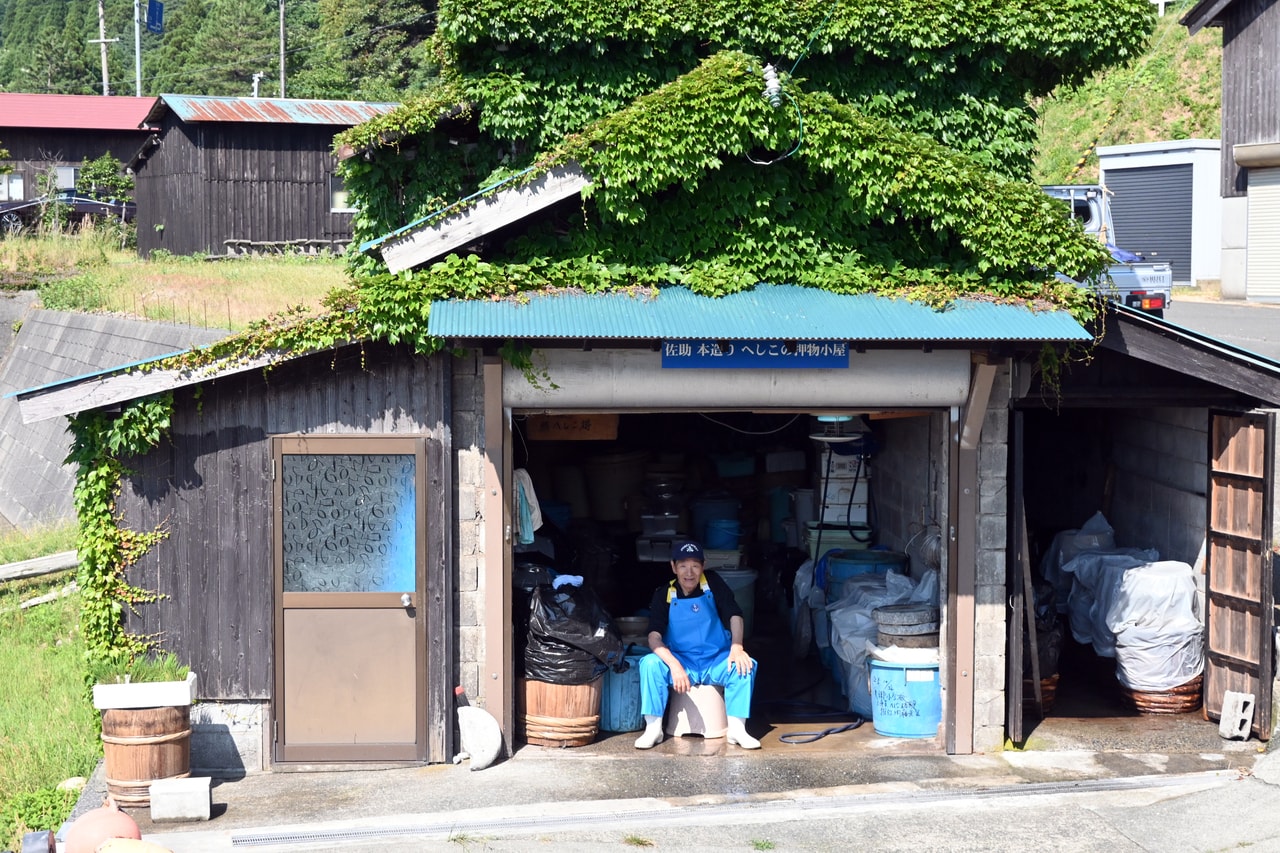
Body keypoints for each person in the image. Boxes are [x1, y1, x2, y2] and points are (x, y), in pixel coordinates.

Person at [634, 539, 760, 749]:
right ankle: (653, 728)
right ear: (673, 567)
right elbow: (654, 637)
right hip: (682, 661)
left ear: (703, 566)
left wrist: (737, 647)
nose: (689, 572)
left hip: (715, 660)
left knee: (745, 665)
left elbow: (735, 615)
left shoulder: (714, 584)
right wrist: (674, 665)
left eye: (695, 566)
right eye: (683, 566)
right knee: (649, 664)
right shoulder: (663, 594)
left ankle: (737, 729)